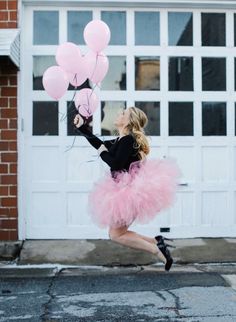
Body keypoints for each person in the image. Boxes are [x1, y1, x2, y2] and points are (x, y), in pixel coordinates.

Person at [73, 106, 180, 271]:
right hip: (124, 192)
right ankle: (156, 242)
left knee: (116, 234)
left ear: (129, 121)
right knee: (117, 234)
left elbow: (115, 164)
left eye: (122, 113)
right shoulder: (120, 140)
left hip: (130, 194)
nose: (118, 113)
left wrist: (102, 152)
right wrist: (82, 128)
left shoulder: (129, 140)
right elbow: (99, 143)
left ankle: (157, 250)